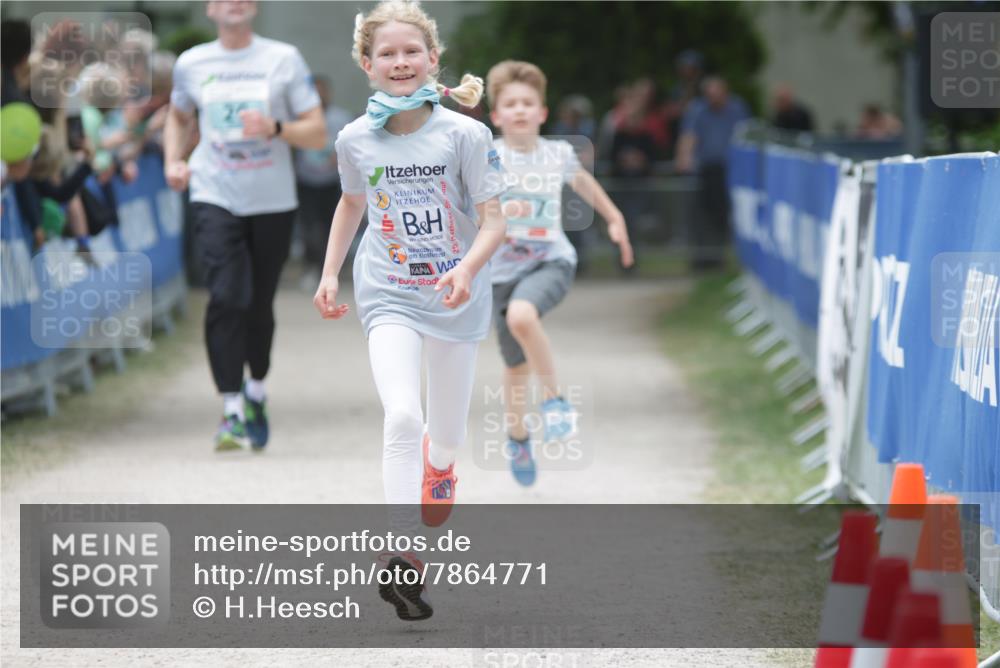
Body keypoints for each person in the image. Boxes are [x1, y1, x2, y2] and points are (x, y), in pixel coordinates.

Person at [312, 0, 507, 620]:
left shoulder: (465, 134)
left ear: (433, 60)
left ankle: (441, 466)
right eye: (387, 54)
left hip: (455, 296)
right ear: (367, 65)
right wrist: (328, 274)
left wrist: (466, 268)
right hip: (388, 290)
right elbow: (350, 204)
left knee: (443, 438)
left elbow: (494, 221)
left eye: (411, 51)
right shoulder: (354, 138)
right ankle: (403, 556)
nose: (400, 62)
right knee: (402, 415)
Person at [164, 0, 327, 451]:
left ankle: (256, 389)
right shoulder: (193, 62)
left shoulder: (282, 58)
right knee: (226, 295)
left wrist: (275, 127)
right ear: (210, 8)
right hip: (214, 191)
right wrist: (173, 161)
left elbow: (315, 132)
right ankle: (231, 409)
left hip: (272, 199)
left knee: (258, 304)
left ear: (253, 7)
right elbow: (178, 117)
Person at [485, 60, 634, 486]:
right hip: (500, 272)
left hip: (551, 260)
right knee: (514, 369)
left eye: (527, 103)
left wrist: (614, 217)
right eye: (510, 104)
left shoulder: (558, 153)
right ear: (496, 115)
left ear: (542, 112)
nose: (519, 110)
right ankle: (518, 436)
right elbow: (467, 205)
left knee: (522, 316)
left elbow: (584, 184)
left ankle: (554, 403)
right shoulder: (486, 155)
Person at [676, 76, 749, 270]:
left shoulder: (737, 108)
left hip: (729, 172)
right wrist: (685, 158)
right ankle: (703, 257)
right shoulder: (698, 109)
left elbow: (745, 136)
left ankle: (720, 256)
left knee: (723, 215)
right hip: (705, 171)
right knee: (701, 215)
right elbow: (689, 136)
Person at [294, 74, 353, 289]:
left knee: (331, 227)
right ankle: (311, 266)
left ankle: (329, 270)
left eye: (322, 91)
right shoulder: (299, 119)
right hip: (306, 181)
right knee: (309, 228)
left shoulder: (341, 117)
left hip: (332, 183)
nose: (319, 96)